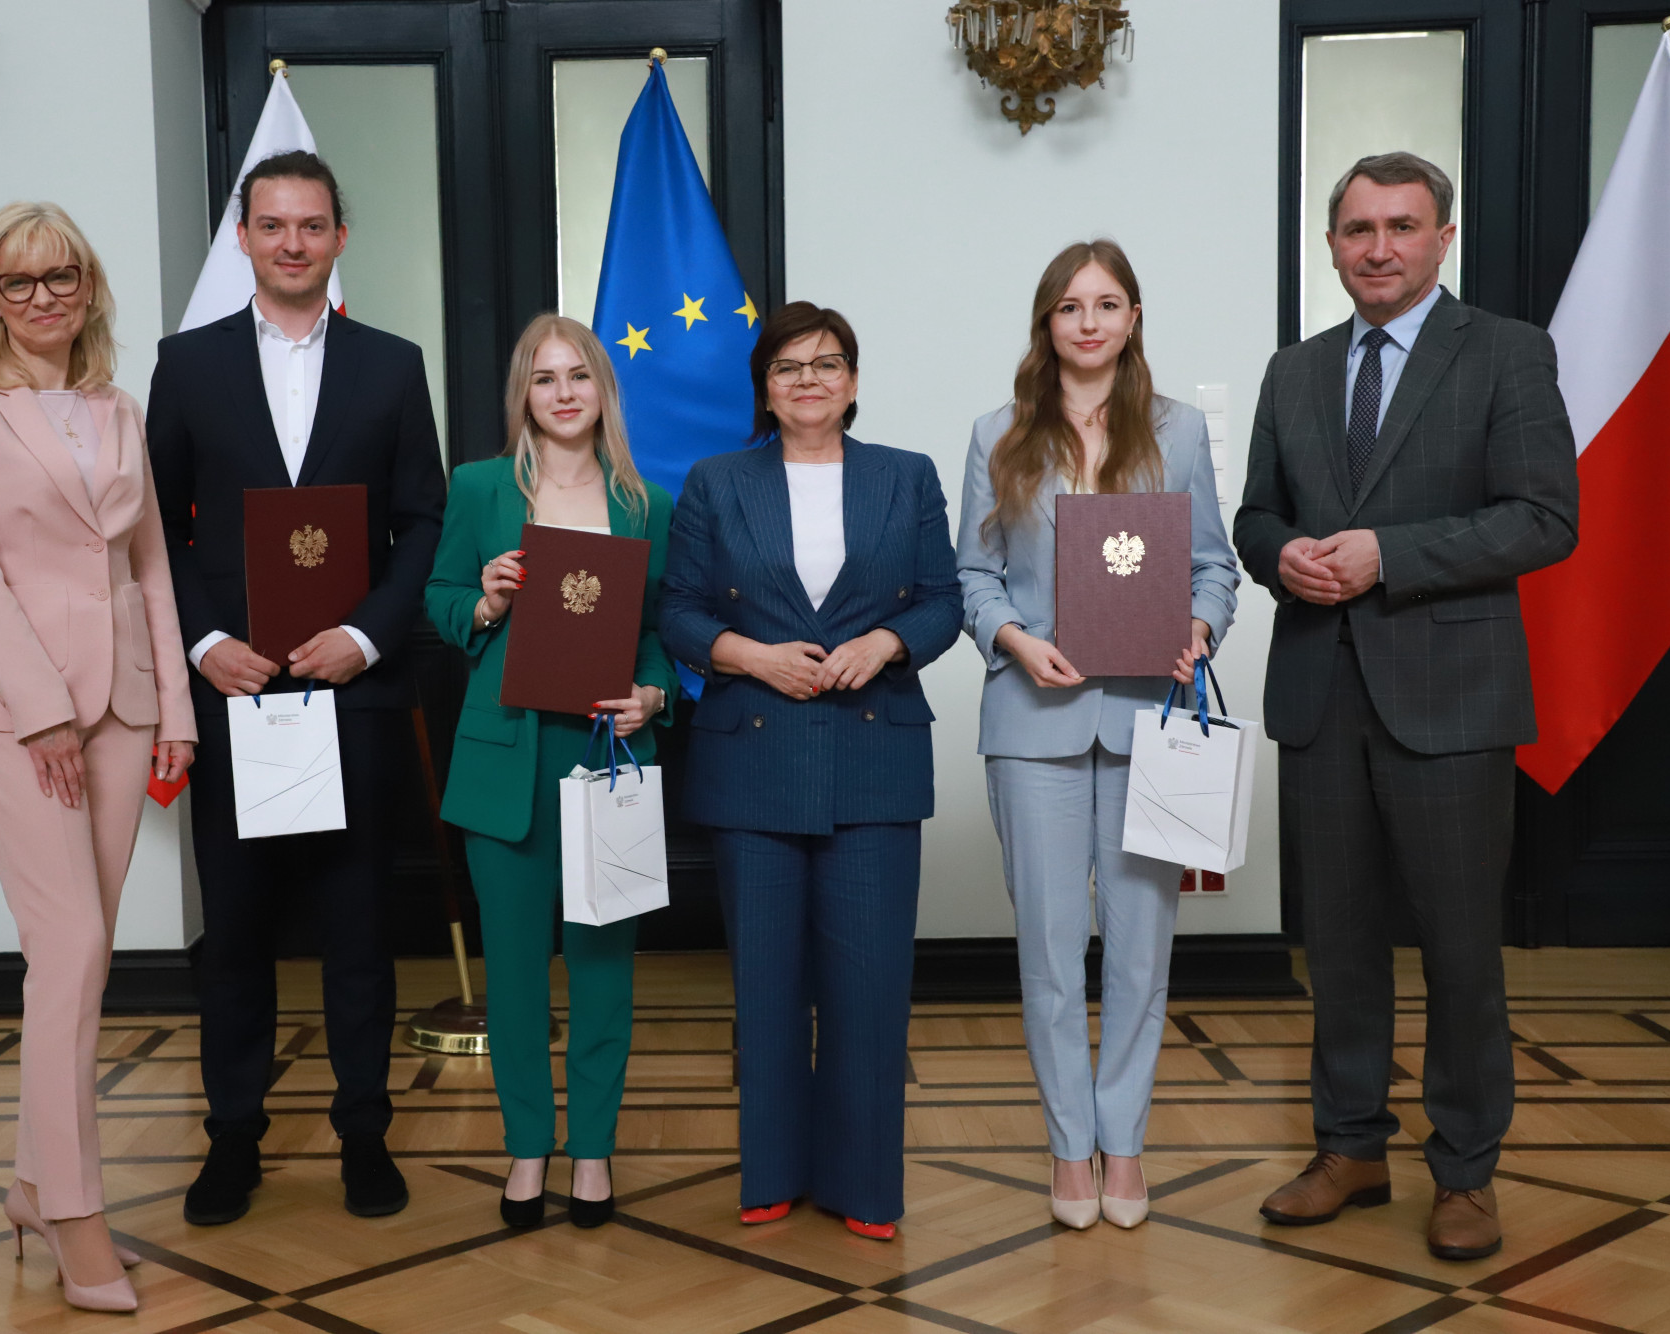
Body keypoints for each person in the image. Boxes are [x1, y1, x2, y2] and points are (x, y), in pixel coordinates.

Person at [1235, 152, 1578, 1260]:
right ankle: (1348, 1147)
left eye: (1399, 225)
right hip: (1321, 693)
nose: (1376, 247)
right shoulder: (1293, 370)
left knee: (1457, 948)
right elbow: (1251, 515)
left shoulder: (1507, 354)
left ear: (1440, 238)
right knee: (1334, 944)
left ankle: (1464, 1167)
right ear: (1328, 243)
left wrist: (1392, 554)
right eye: (1355, 229)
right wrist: (1279, 553)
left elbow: (1542, 518)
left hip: (1453, 699)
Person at [147, 150, 447, 1226]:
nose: (290, 241)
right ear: (243, 237)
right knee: (234, 932)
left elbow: (424, 518)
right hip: (234, 692)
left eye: (310, 225)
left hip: (348, 690)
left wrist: (368, 634)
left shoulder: (391, 363)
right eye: (270, 224)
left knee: (359, 926)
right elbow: (154, 531)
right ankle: (233, 1139)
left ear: (338, 238)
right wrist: (203, 639)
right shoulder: (184, 365)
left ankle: (364, 1133)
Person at [0, 202, 196, 1313]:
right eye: (13, 283)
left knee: (84, 958)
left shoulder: (115, 406)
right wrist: (36, 710)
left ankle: (34, 1180)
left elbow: (151, 567)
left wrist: (172, 703)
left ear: (88, 287)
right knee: (68, 948)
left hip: (124, 704)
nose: (38, 299)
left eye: (57, 277)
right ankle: (78, 1212)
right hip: (14, 710)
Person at [659, 302, 960, 1240]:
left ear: (855, 382)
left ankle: (866, 1188)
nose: (808, 379)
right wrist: (751, 656)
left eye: (827, 364)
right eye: (788, 367)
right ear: (764, 389)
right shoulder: (716, 481)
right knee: (768, 985)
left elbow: (945, 602)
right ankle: (772, 1174)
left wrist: (885, 641)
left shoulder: (905, 478)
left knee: (871, 990)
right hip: (754, 755)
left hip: (873, 754)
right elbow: (677, 613)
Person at [956, 240, 1240, 1231]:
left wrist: (1197, 626)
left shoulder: (1178, 428)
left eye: (1105, 303)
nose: (1086, 320)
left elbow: (1214, 565)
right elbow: (973, 577)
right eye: (1068, 305)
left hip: (1145, 724)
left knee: (1136, 953)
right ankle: (1066, 1150)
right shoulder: (998, 431)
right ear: (1045, 323)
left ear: (1131, 318)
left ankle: (1123, 1142)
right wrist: (1013, 642)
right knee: (1046, 949)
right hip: (1030, 721)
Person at [424, 314, 676, 1230]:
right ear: (522, 395)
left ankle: (594, 1151)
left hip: (607, 756)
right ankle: (529, 1147)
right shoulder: (482, 487)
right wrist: (482, 601)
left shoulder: (647, 501)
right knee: (519, 976)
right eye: (544, 378)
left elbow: (662, 633)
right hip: (507, 764)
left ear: (602, 390)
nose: (564, 392)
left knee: (604, 970)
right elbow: (440, 599)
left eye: (579, 376)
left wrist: (655, 696)